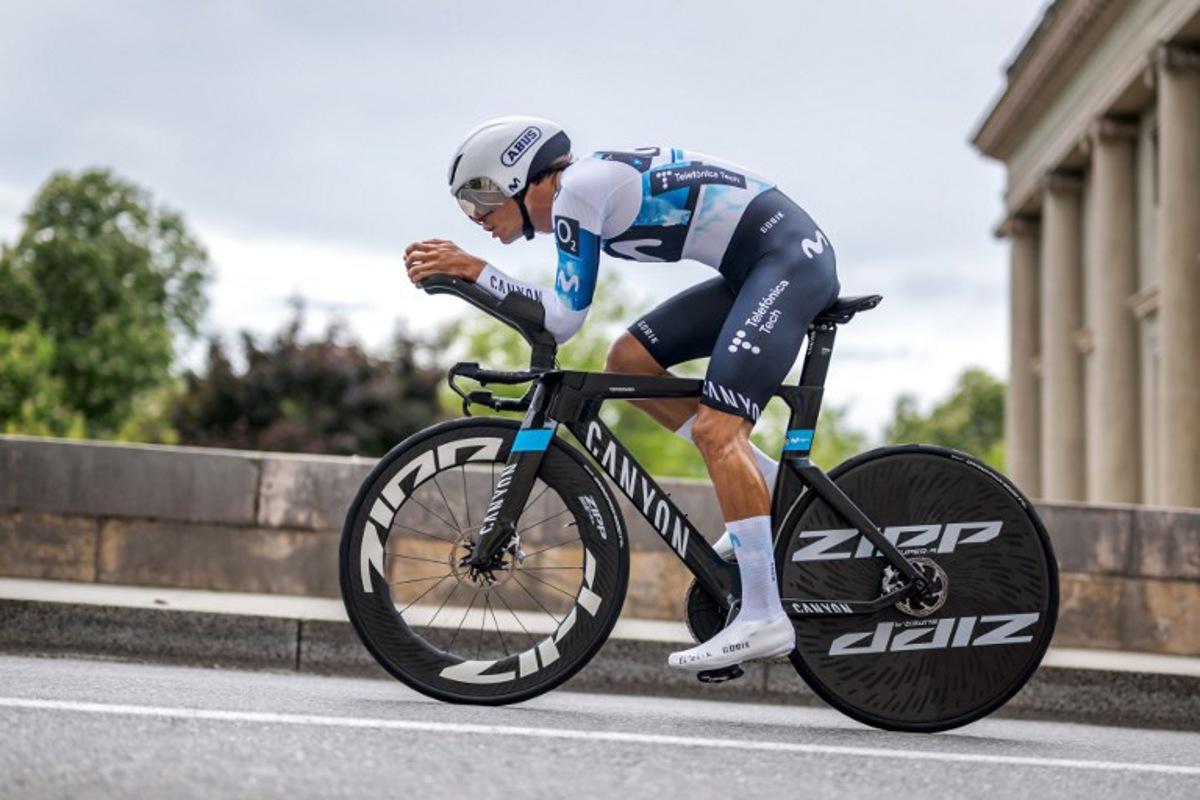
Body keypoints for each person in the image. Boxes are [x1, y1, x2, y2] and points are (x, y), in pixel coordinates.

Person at [404, 116, 840, 672]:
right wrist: (476, 275)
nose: (478, 219)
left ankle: (762, 614)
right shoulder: (580, 192)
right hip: (760, 265)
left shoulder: (577, 191)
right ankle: (773, 491)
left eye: (480, 199)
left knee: (717, 429)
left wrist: (474, 270)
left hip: (789, 263)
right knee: (629, 362)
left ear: (516, 178)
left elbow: (562, 320)